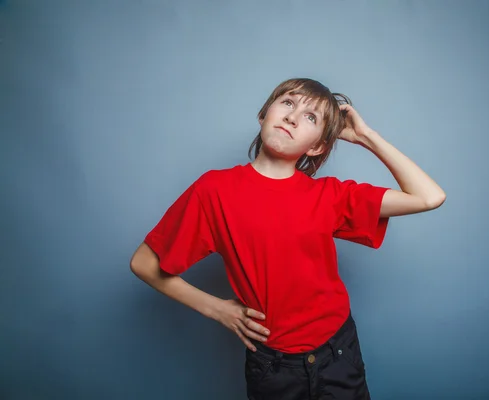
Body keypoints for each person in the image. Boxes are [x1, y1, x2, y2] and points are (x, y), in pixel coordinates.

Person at [130, 78, 446, 399]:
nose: (293, 117)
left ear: (317, 146)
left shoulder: (329, 195)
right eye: (288, 103)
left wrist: (367, 136)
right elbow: (143, 263)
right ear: (265, 113)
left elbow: (429, 196)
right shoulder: (214, 191)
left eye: (311, 117)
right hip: (273, 367)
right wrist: (216, 309)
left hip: (338, 353)